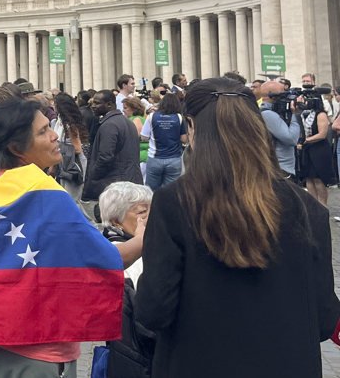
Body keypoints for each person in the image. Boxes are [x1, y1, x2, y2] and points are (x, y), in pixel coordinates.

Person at [135, 78, 340, 377]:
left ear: (191, 127)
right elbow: (324, 318)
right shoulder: (308, 208)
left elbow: (153, 311)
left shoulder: (173, 204)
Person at [0, 99, 124, 378]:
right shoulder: (45, 193)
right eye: (43, 131)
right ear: (16, 148)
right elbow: (106, 258)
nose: (55, 135)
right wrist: (148, 236)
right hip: (37, 350)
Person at [97, 181, 152, 377]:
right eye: (142, 212)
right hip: (138, 355)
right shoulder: (121, 255)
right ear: (115, 221)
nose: (149, 217)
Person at [83, 89, 142, 204]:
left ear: (109, 104)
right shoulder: (125, 122)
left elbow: (105, 157)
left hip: (116, 184)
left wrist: (92, 176)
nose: (93, 106)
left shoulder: (109, 125)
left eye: (97, 103)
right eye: (93, 103)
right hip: (128, 180)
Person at [141, 92, 187, 190]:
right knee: (171, 191)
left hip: (155, 158)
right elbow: (184, 139)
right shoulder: (179, 117)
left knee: (151, 191)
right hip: (174, 159)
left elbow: (144, 137)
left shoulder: (152, 116)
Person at [257, 77, 298, 179]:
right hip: (280, 170)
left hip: (281, 169)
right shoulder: (268, 114)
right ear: (273, 96)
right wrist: (295, 115)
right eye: (283, 93)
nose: (286, 96)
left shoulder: (271, 113)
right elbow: (291, 139)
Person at [298, 94, 333, 205]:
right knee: (309, 178)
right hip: (308, 148)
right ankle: (313, 204)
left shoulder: (321, 114)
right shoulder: (304, 114)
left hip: (319, 149)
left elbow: (322, 134)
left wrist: (307, 140)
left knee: (318, 179)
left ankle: (322, 205)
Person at [122, 96, 148, 178]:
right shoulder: (143, 119)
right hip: (145, 157)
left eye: (125, 108)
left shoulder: (135, 120)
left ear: (133, 108)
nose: (123, 110)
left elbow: (134, 139)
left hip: (140, 158)